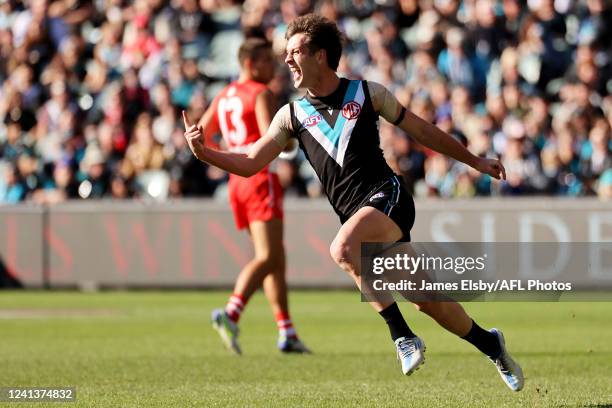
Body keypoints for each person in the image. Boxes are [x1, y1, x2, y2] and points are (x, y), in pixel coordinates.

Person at [183, 14, 523, 391]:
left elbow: (423, 131)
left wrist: (474, 161)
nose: (287, 60)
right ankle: (491, 344)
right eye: (286, 52)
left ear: (321, 56)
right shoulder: (291, 116)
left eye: (295, 51)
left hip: (389, 198)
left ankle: (402, 337)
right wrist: (205, 153)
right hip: (360, 218)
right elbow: (249, 162)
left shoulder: (367, 93)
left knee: (343, 248)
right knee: (430, 302)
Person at [194, 38, 309, 354]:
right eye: (267, 62)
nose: (273, 67)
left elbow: (201, 135)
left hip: (237, 179)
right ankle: (231, 312)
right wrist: (293, 141)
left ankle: (286, 330)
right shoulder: (260, 93)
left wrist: (227, 155)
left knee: (275, 257)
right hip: (260, 177)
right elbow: (275, 139)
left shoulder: (224, 94)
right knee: (269, 256)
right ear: (250, 63)